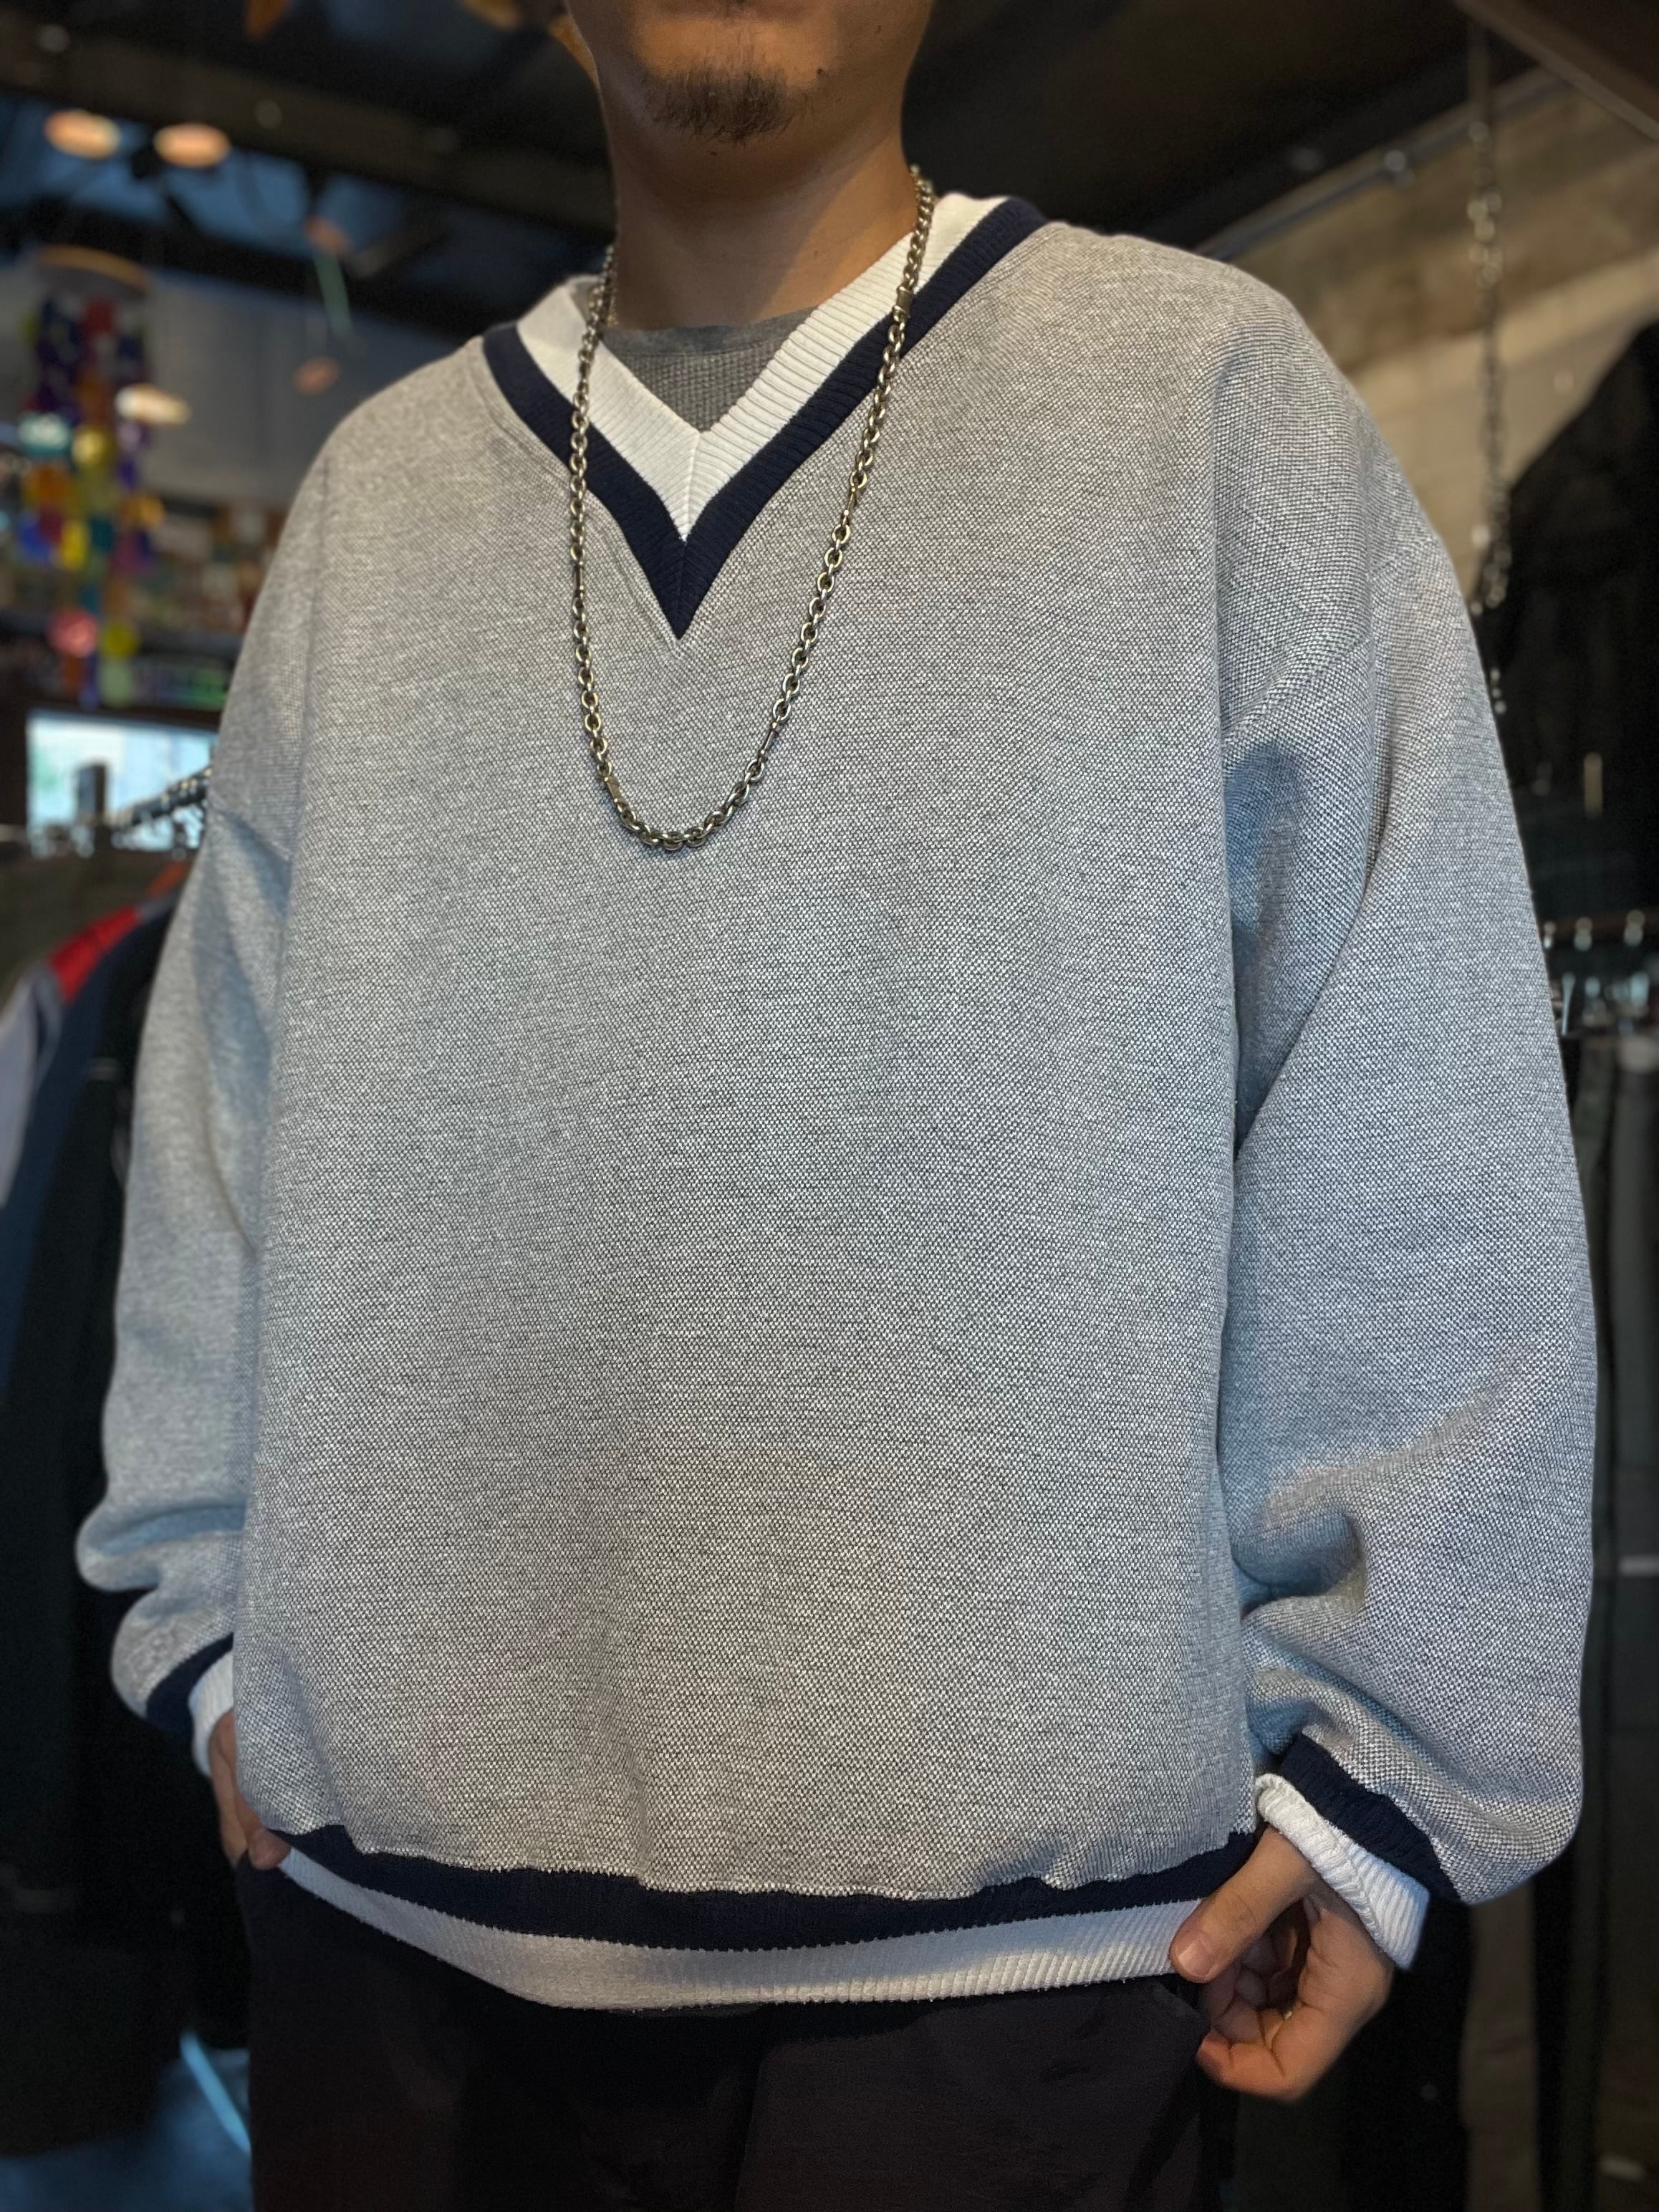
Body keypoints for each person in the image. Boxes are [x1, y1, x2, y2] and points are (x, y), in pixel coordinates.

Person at [76, 2, 1597, 2206]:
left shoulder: (1202, 402)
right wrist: (213, 1635)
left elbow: (1404, 1093)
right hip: (394, 1944)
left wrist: (1390, 1765)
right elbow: (221, 1126)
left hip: (1044, 1973)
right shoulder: (379, 498)